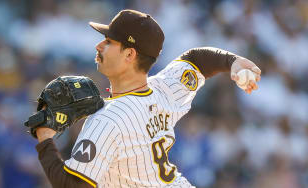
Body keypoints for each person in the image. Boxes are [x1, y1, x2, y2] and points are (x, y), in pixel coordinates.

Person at [34, 9, 261, 188]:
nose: (99, 45)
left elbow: (72, 185)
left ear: (130, 54)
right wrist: (233, 61)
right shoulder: (165, 88)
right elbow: (197, 59)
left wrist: (45, 137)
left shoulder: (108, 119)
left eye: (109, 41)